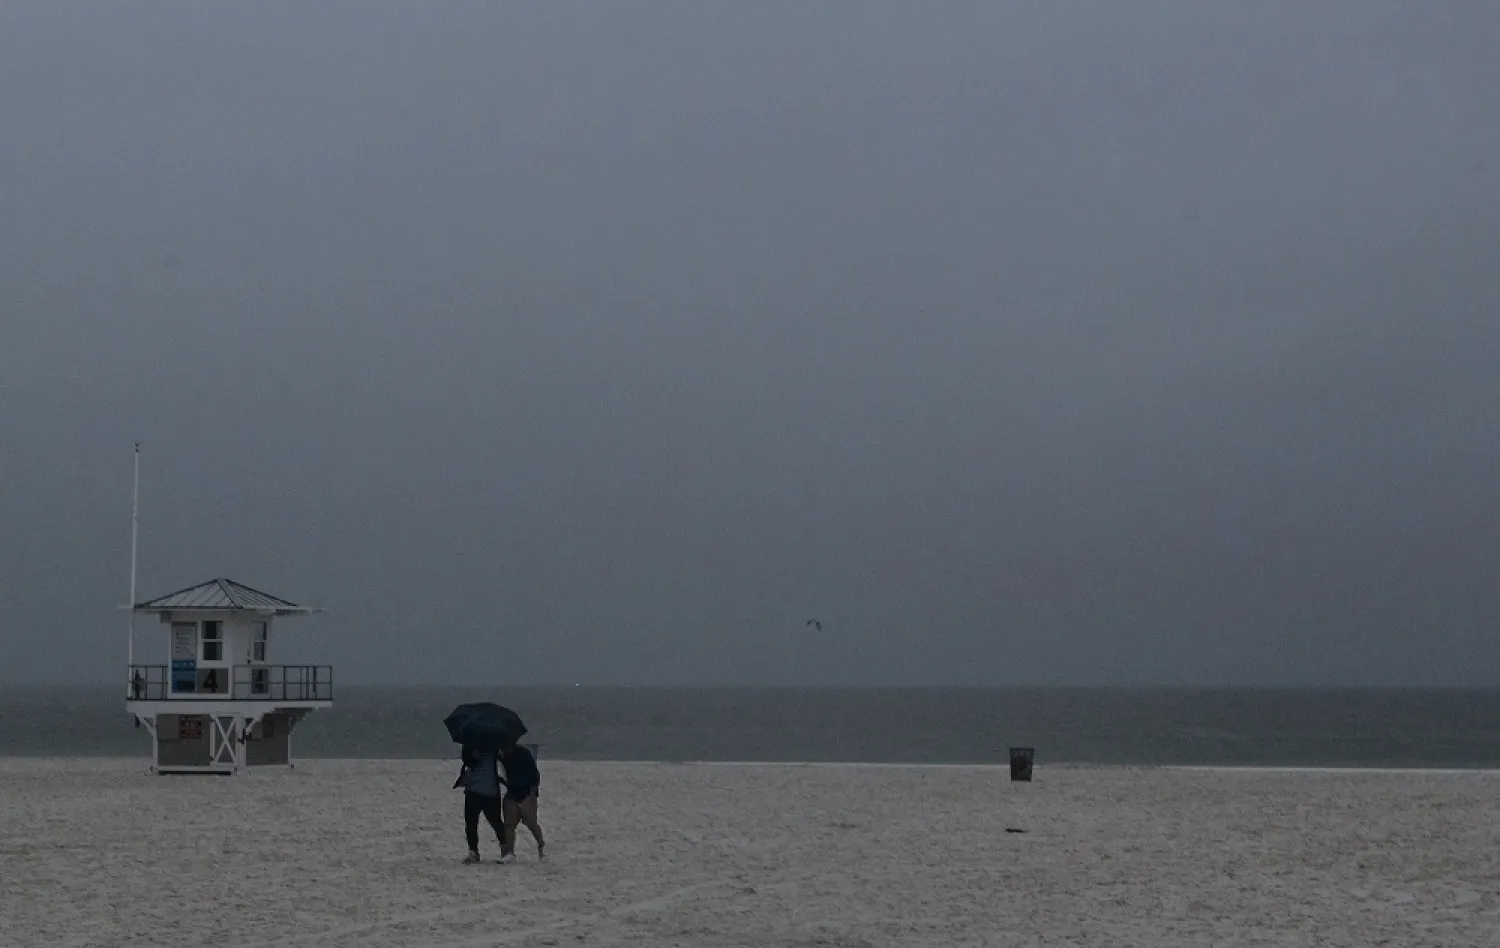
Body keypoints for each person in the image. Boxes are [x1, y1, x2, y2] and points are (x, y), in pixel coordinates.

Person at [458, 743, 506, 864]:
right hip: (474, 789)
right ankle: (473, 850)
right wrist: (471, 753)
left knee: (495, 821)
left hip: (490, 790)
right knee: (471, 823)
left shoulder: (496, 747)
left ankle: (505, 849)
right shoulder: (470, 744)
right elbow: (467, 761)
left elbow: (503, 763)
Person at [498, 740, 544, 863]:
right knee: (509, 825)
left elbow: (535, 776)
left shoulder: (524, 754)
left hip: (526, 793)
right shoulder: (502, 756)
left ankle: (541, 846)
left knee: (531, 823)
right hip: (512, 793)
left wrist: (532, 796)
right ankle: (509, 852)